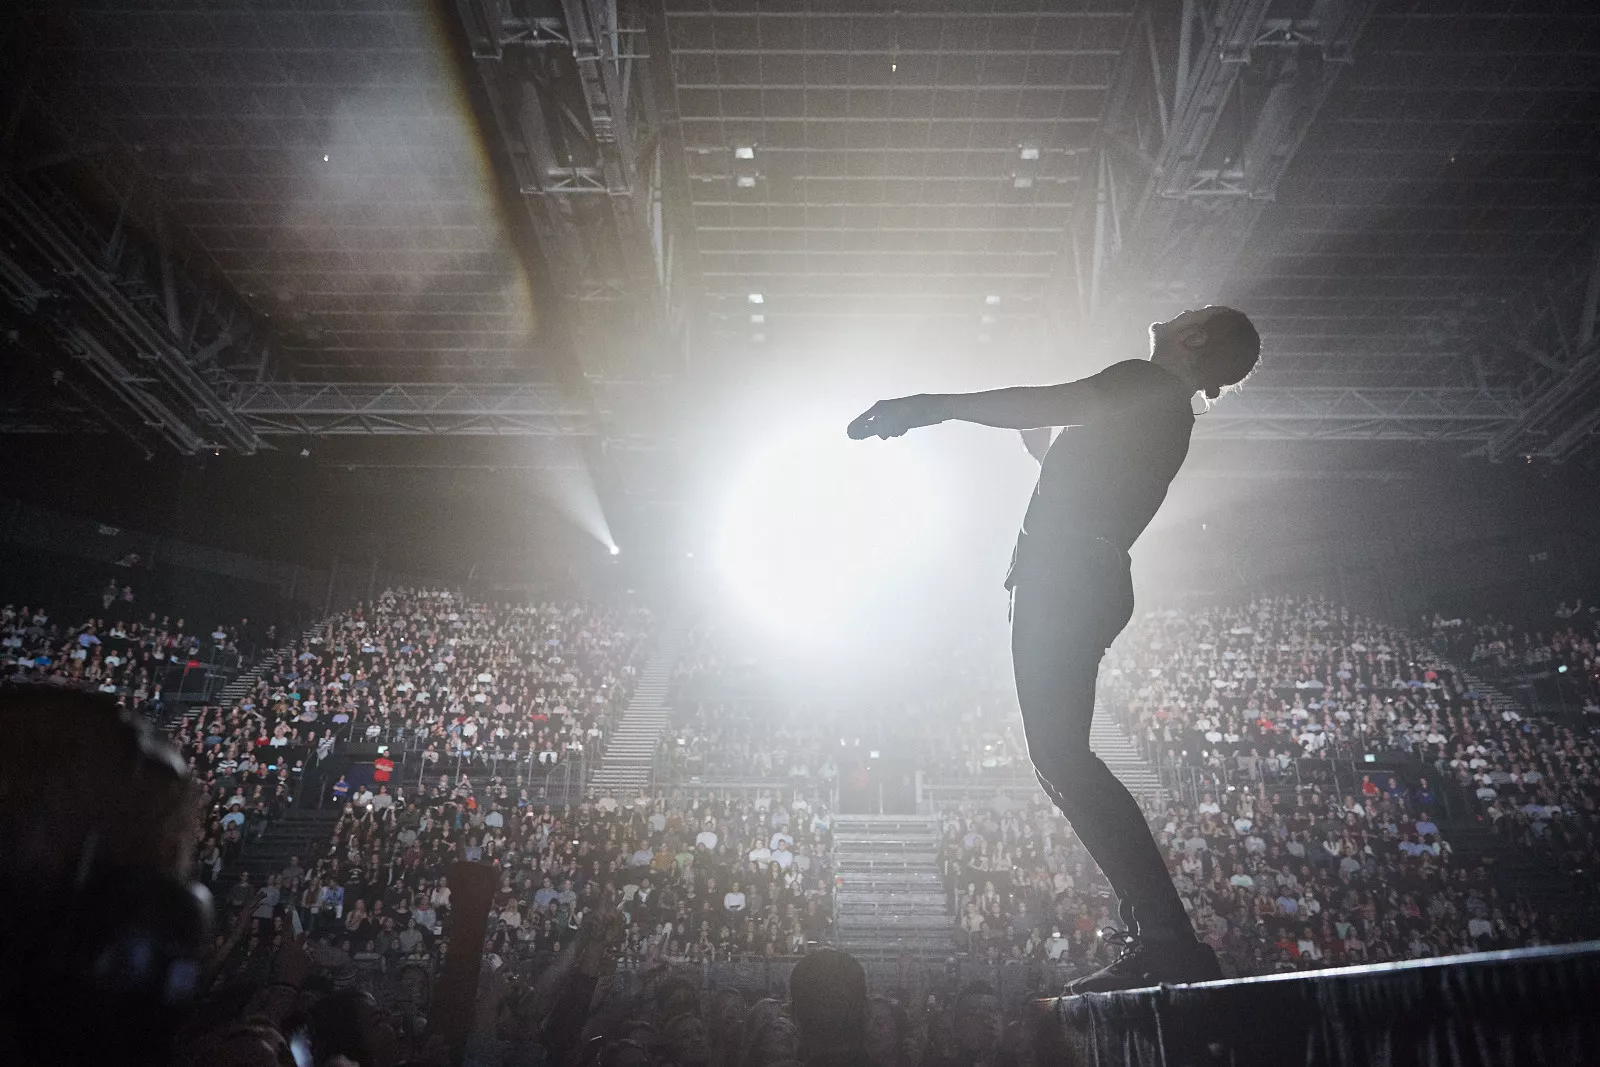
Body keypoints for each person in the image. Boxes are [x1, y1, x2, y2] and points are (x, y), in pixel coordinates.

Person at [848, 305, 1261, 991]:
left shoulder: (1146, 382)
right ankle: (1159, 934)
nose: (1176, 311)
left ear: (1194, 337)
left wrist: (926, 407)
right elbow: (1093, 482)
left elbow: (1050, 401)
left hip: (1066, 576)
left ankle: (1165, 937)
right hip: (1079, 575)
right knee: (1057, 759)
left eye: (1191, 313)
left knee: (1062, 757)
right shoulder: (1165, 409)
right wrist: (1044, 452)